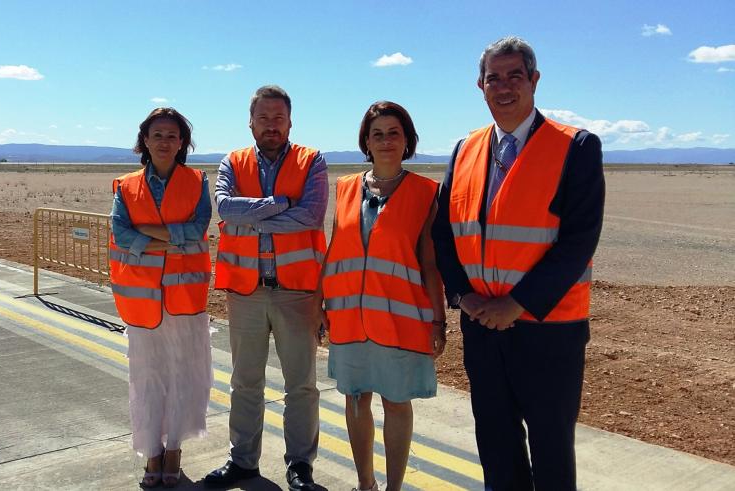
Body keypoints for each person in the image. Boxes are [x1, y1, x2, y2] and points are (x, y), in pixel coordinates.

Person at [431, 36, 605, 490]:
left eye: (514, 76)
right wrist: (462, 295)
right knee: (496, 442)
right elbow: (444, 232)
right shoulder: (464, 149)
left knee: (550, 447)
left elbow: (578, 241)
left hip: (548, 329)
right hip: (482, 325)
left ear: (534, 80)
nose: (504, 86)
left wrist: (518, 303)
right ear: (480, 85)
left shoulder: (575, 146)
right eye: (494, 78)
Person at [203, 85, 328, 490]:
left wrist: (251, 215)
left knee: (301, 384)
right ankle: (243, 462)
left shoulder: (312, 161)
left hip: (297, 292)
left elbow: (310, 217)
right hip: (246, 292)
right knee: (245, 382)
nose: (271, 125)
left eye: (279, 118)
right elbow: (224, 208)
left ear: (290, 122)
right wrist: (279, 203)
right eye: (264, 117)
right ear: (251, 121)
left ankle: (300, 466)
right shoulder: (231, 162)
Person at [322, 101, 447, 491]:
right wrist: (319, 304)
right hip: (348, 318)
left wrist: (439, 320)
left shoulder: (425, 193)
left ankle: (393, 487)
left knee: (396, 402)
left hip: (401, 319)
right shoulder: (345, 188)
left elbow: (430, 264)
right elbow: (334, 249)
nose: (386, 140)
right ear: (366, 142)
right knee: (356, 398)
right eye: (378, 134)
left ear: (407, 140)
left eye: (394, 133)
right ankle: (366, 484)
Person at [109, 107, 213, 488]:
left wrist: (148, 238)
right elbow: (120, 232)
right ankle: (152, 454)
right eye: (158, 135)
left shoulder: (197, 181)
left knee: (185, 375)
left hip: (185, 299)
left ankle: (174, 450)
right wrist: (174, 239)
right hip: (143, 302)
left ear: (182, 142)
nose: (165, 141)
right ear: (145, 142)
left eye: (172, 135)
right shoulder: (125, 185)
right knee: (147, 377)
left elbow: (199, 227)